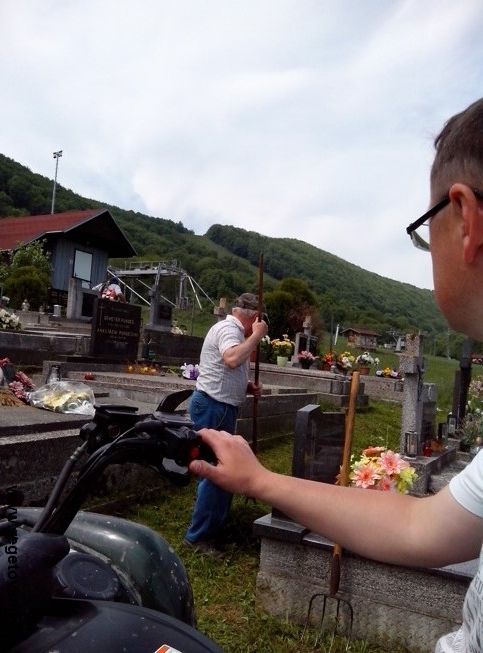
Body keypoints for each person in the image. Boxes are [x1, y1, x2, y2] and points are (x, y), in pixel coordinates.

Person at [188, 99, 483, 651]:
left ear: (466, 220)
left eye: (427, 230)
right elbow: (421, 528)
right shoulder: (230, 328)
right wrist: (260, 480)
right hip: (213, 405)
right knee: (211, 477)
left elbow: (419, 529)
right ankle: (203, 532)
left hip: (225, 401)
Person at [184, 292, 268, 556]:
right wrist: (257, 336)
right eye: (260, 321)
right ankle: (199, 537)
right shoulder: (229, 329)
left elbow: (226, 367)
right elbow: (231, 358)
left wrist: (245, 385)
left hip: (218, 405)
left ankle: (214, 527)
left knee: (222, 470)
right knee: (217, 472)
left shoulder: (232, 331)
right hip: (214, 406)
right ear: (255, 317)